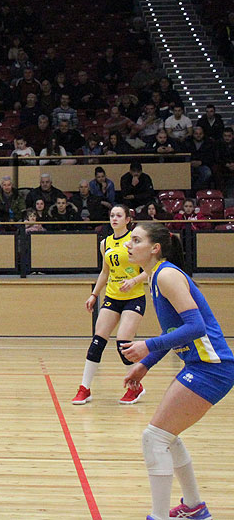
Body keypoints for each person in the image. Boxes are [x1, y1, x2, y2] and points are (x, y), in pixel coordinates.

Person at [120, 222, 234, 520]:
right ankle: (194, 507)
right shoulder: (156, 276)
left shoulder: (167, 275)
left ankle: (159, 516)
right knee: (166, 436)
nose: (129, 244)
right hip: (203, 366)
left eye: (136, 240)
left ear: (155, 248)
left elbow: (195, 327)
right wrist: (145, 364)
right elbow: (174, 331)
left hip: (212, 368)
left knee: (154, 438)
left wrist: (147, 346)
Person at [70, 205, 148, 404]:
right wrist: (94, 295)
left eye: (119, 215)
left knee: (123, 343)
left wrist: (134, 281)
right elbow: (105, 272)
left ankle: (135, 387)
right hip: (112, 297)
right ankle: (84, 388)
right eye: (112, 215)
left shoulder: (135, 240)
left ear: (127, 220)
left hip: (134, 297)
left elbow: (151, 269)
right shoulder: (105, 243)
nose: (114, 218)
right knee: (97, 342)